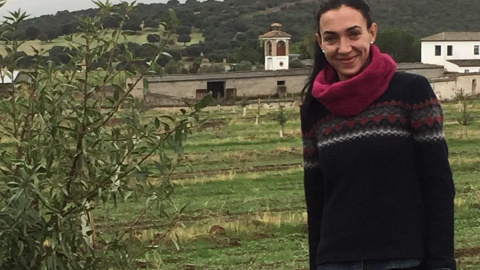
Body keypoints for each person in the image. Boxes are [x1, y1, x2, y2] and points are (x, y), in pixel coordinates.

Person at [300, 0, 456, 270]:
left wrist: (442, 262)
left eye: (353, 34)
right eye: (331, 38)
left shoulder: (411, 92)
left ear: (372, 32)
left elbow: (438, 184)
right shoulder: (315, 108)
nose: (344, 48)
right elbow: (316, 198)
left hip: (405, 259)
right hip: (336, 261)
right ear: (320, 42)